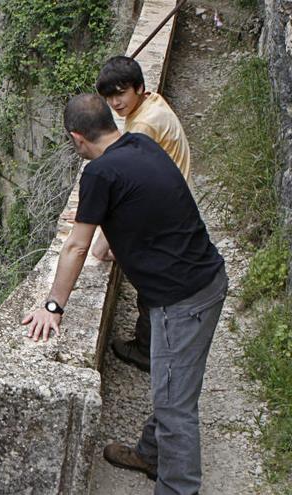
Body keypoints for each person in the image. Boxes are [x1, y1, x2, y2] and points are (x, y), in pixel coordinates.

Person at [22, 94, 226, 495]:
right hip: (208, 280)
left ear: (77, 138)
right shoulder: (141, 143)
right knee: (175, 387)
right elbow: (109, 235)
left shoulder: (99, 174)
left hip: (182, 300)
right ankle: (151, 453)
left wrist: (53, 306)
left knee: (176, 409)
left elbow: (77, 247)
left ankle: (179, 488)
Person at [93, 55, 193, 373]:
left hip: (166, 210)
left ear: (139, 87)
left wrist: (104, 234)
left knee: (148, 280)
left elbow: (128, 182)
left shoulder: (144, 125)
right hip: (177, 195)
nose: (115, 102)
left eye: (120, 93)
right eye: (109, 97)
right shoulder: (150, 104)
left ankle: (147, 350)